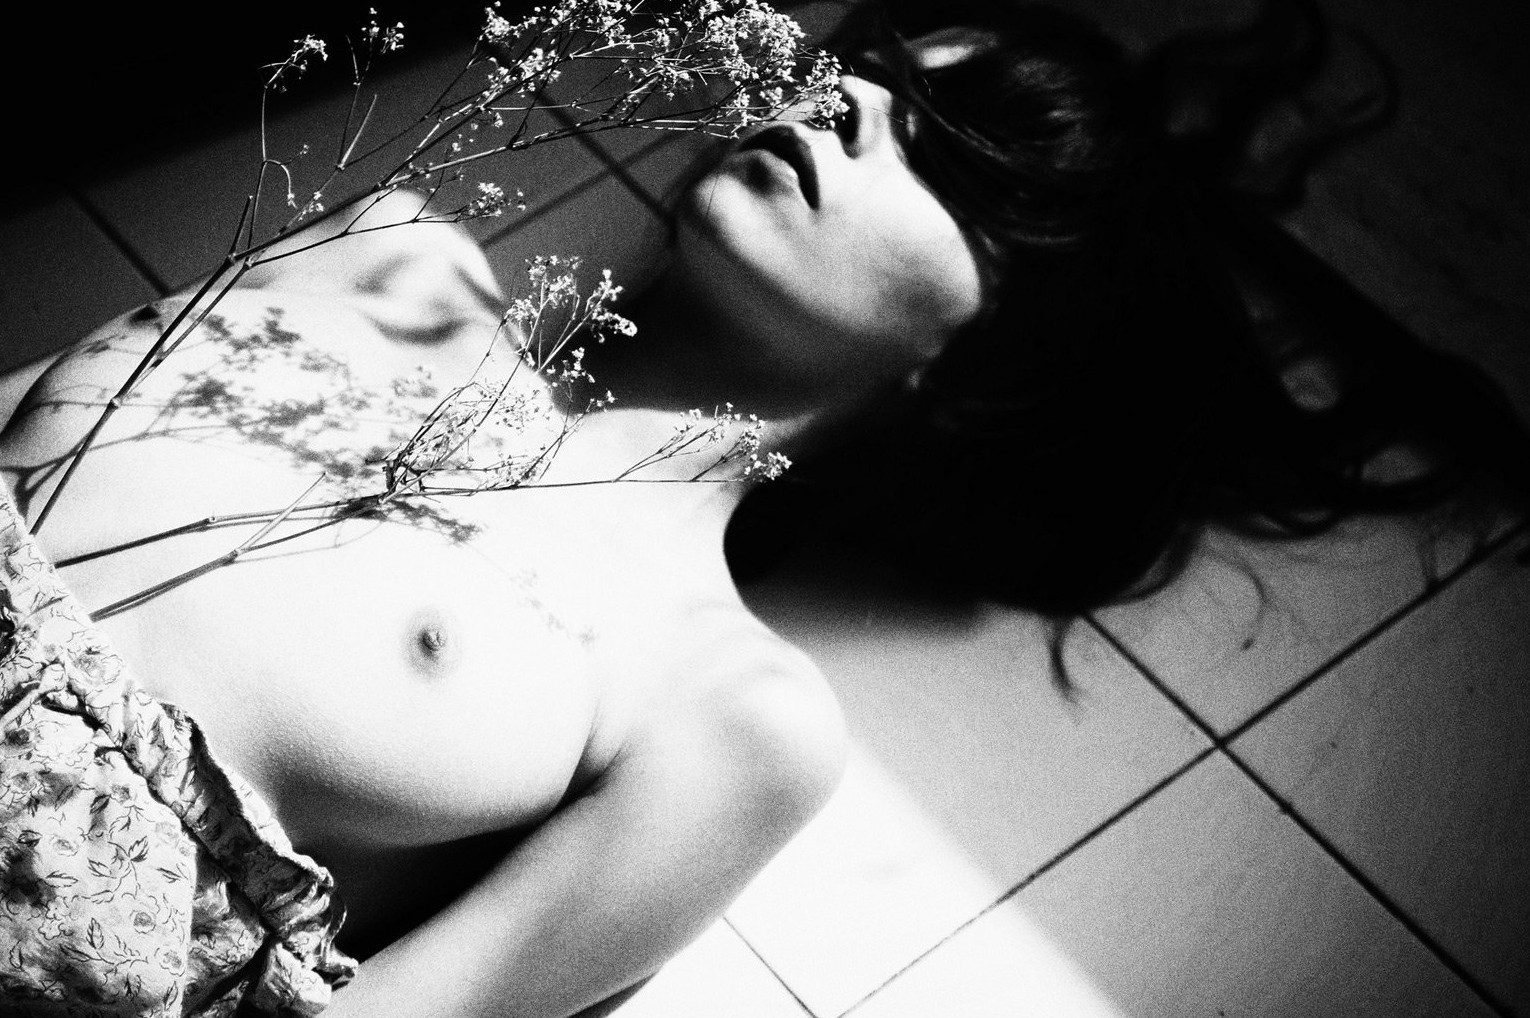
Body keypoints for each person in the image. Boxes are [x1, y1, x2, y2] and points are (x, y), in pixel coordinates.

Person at [1, 0, 1523, 1015]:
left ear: (982, 364)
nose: (846, 96)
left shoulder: (728, 709)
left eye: (944, 157)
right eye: (877, 75)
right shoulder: (389, 250)